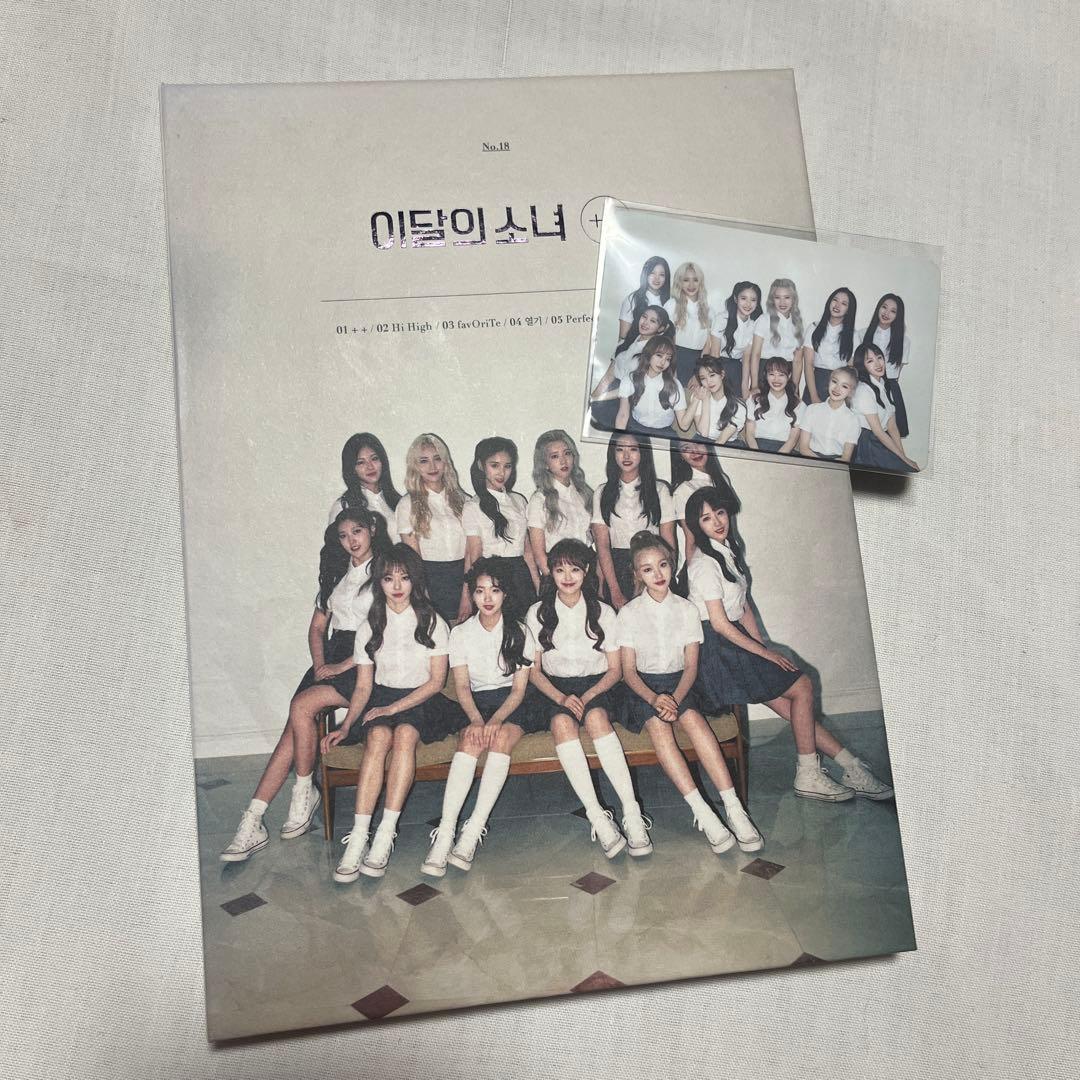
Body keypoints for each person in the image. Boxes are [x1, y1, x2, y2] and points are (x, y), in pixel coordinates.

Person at [683, 487, 893, 802]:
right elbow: (720, 623)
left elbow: (743, 606)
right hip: (715, 653)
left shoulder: (727, 550)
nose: (717, 522)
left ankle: (851, 766)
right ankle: (808, 774)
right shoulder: (704, 564)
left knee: (793, 704)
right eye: (706, 518)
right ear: (697, 526)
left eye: (720, 513)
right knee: (802, 686)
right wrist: (763, 653)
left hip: (731, 644)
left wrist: (762, 646)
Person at [219, 507, 389, 862]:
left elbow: (384, 630)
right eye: (343, 536)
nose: (351, 541)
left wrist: (345, 664)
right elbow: (316, 628)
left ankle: (304, 790)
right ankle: (254, 818)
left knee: (301, 706)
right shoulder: (336, 573)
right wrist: (321, 664)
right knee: (293, 730)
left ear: (372, 529)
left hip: (370, 660)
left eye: (357, 531)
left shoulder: (386, 570)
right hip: (334, 656)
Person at [321, 544, 465, 882]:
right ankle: (359, 836)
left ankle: (385, 833)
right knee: (377, 736)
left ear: (415, 580)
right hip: (383, 696)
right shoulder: (370, 625)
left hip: (422, 699)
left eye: (404, 577)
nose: (397, 586)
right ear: (379, 582)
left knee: (404, 734)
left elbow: (436, 683)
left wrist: (393, 708)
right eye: (388, 578)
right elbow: (362, 687)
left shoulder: (433, 621)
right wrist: (347, 725)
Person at [616, 531, 762, 853]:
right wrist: (655, 699)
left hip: (680, 684)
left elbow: (691, 667)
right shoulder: (628, 613)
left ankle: (734, 809)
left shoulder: (687, 610)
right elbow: (628, 672)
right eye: (647, 569)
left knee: (695, 721)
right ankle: (703, 811)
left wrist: (677, 699)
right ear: (637, 574)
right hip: (643, 688)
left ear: (672, 565)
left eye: (663, 565)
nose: (658, 574)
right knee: (659, 727)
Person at [526, 540, 652, 856]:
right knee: (561, 724)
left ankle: (632, 813)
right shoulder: (537, 612)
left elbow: (615, 670)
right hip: (554, 688)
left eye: (575, 569)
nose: (568, 577)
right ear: (550, 573)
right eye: (560, 570)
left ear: (586, 571)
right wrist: (562, 698)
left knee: (596, 717)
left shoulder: (604, 612)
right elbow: (534, 672)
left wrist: (589, 694)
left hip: (598, 685)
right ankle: (598, 816)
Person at [421, 558, 545, 876]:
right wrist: (477, 720)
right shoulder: (460, 633)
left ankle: (473, 830)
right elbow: (462, 686)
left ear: (506, 594)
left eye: (495, 590)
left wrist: (496, 720)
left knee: (500, 738)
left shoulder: (520, 630)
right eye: (480, 591)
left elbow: (519, 690)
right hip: (476, 703)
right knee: (469, 741)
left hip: (513, 704)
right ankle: (446, 833)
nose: (487, 598)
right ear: (472, 594)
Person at [591, 431, 677, 609]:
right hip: (617, 569)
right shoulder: (602, 492)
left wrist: (666, 577)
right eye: (620, 449)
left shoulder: (660, 490)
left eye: (633, 449)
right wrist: (614, 590)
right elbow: (602, 546)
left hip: (652, 565)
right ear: (612, 454)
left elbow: (669, 543)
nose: (626, 456)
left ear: (643, 452)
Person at [396, 433, 471, 624]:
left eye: (437, 458)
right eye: (424, 461)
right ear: (415, 466)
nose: (432, 466)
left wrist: (468, 593)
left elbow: (472, 550)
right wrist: (424, 599)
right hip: (429, 581)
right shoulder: (407, 504)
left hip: (464, 579)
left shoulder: (465, 501)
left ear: (446, 462)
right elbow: (413, 560)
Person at [463, 436, 539, 606]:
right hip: (492, 581)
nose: (501, 473)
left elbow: (527, 551)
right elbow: (474, 555)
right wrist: (467, 597)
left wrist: (538, 586)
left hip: (521, 577)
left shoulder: (519, 501)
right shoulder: (473, 506)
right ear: (481, 465)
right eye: (494, 465)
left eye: (507, 466)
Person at [590, 305, 672, 431]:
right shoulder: (626, 342)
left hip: (628, 401)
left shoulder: (654, 354)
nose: (645, 323)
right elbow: (608, 377)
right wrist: (592, 397)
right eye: (644, 317)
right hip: (609, 394)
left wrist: (597, 400)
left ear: (660, 328)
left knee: (597, 413)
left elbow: (630, 387)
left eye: (653, 321)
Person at [525, 429, 593, 577]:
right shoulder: (539, 500)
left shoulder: (585, 494)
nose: (563, 461)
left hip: (587, 569)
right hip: (559, 574)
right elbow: (539, 555)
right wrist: (555, 582)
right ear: (545, 464)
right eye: (555, 456)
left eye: (567, 453)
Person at [669, 440, 740, 566]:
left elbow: (731, 528)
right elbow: (691, 540)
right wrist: (692, 571)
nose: (694, 451)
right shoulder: (683, 490)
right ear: (680, 455)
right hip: (706, 561)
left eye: (698, 443)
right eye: (686, 448)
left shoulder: (722, 479)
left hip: (729, 553)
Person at [851, 344, 919, 472]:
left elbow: (892, 427)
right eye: (870, 361)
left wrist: (904, 457)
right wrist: (905, 461)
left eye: (879, 357)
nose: (878, 364)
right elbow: (878, 431)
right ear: (862, 366)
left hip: (879, 440)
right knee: (907, 471)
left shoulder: (884, 385)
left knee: (909, 469)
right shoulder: (863, 390)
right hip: (867, 444)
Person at [327, 432, 402, 542]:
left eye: (374, 458)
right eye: (361, 462)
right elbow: (334, 549)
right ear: (352, 468)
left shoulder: (399, 502)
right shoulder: (343, 506)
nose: (370, 467)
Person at [613, 336, 693, 437]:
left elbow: (684, 426)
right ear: (648, 354)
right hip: (635, 429)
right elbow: (623, 415)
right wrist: (618, 438)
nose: (662, 362)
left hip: (664, 433)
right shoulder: (630, 379)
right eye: (659, 355)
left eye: (668, 359)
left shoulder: (674, 385)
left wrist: (696, 401)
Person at [860, 293, 911, 436]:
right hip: (866, 387)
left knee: (891, 432)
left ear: (898, 316)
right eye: (884, 307)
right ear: (878, 308)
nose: (886, 313)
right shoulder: (861, 334)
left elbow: (897, 372)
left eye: (893, 311)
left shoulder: (904, 341)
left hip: (890, 388)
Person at [748, 278, 807, 397]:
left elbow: (797, 361)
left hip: (787, 374)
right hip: (766, 373)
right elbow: (755, 355)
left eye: (787, 297)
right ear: (772, 300)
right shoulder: (764, 320)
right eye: (777, 297)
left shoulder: (798, 324)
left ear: (793, 299)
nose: (782, 302)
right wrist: (754, 385)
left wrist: (795, 388)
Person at [705, 280, 763, 395]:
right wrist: (715, 381)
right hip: (717, 365)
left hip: (737, 369)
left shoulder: (754, 324)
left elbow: (746, 359)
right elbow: (714, 354)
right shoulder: (722, 319)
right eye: (743, 298)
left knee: (739, 400)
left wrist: (745, 389)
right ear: (736, 299)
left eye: (753, 300)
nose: (748, 304)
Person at [805, 287, 857, 404]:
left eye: (844, 303)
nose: (837, 305)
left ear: (849, 310)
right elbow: (808, 365)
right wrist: (813, 396)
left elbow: (851, 369)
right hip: (816, 382)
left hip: (840, 385)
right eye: (835, 300)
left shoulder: (854, 335)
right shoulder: (814, 328)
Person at [797, 367, 861, 462]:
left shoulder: (853, 420)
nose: (837, 388)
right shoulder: (812, 409)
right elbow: (803, 448)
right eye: (834, 382)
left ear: (850, 392)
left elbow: (845, 458)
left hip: (836, 463)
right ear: (829, 382)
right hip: (810, 457)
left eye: (844, 386)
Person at [664, 261, 712, 386]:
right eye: (686, 280)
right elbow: (666, 340)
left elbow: (707, 346)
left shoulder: (708, 311)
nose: (691, 285)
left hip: (698, 363)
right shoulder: (671, 305)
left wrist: (698, 373)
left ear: (700, 282)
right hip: (674, 360)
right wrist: (672, 369)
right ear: (679, 282)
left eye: (695, 280)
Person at [744, 357, 805, 454]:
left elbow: (792, 440)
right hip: (756, 448)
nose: (776, 379)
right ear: (766, 375)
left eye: (781, 375)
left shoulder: (798, 404)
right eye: (772, 374)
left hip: (784, 451)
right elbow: (749, 435)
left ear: (789, 376)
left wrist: (776, 458)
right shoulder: (754, 399)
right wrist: (758, 456)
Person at [686, 356, 747, 445]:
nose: (709, 381)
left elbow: (721, 441)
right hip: (701, 442)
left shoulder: (738, 406)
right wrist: (706, 400)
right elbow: (703, 433)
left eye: (712, 375)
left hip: (727, 445)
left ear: (722, 375)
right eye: (703, 378)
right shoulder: (699, 397)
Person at [618, 255, 671, 340]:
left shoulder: (670, 301)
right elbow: (623, 337)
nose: (657, 278)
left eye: (661, 275)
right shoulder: (632, 299)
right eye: (652, 273)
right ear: (645, 274)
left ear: (666, 278)